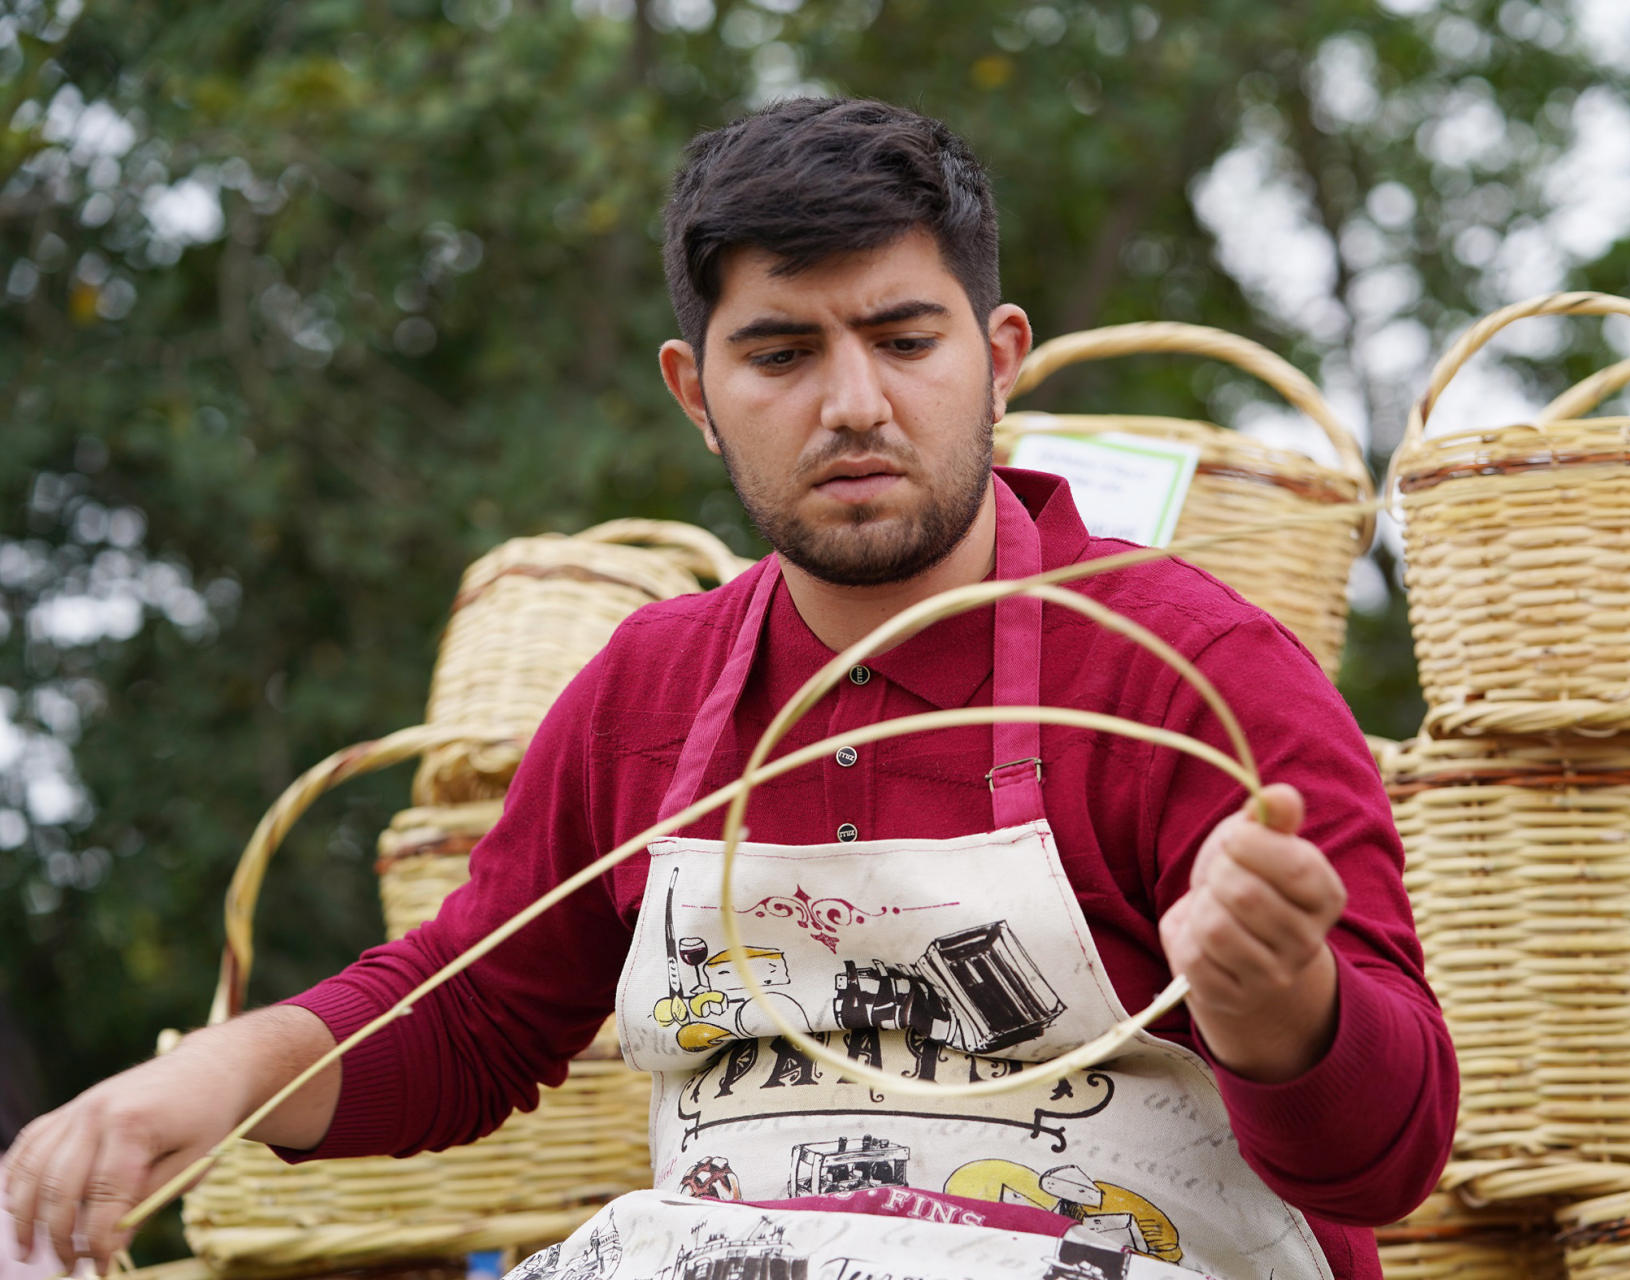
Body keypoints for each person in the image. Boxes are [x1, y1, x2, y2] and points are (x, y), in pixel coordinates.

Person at [5, 99, 1456, 1280]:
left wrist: (1287, 1013)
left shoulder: (1189, 669)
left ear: (999, 361)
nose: (853, 405)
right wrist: (211, 1081)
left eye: (904, 339)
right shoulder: (650, 686)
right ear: (694, 393)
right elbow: (469, 1016)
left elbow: (1390, 1161)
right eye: (779, 351)